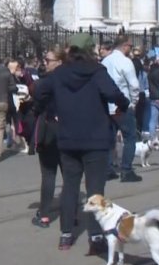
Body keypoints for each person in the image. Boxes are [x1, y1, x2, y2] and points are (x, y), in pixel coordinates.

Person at [33, 33, 128, 252]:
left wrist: (48, 109)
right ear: (88, 50)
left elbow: (39, 91)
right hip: (95, 138)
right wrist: (123, 104)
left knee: (70, 187)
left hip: (68, 138)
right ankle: (96, 237)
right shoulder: (97, 71)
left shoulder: (59, 74)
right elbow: (113, 93)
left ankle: (66, 235)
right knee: (96, 188)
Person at [101, 35, 142, 183]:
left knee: (109, 138)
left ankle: (108, 168)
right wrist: (134, 102)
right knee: (129, 137)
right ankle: (126, 170)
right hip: (122, 105)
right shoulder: (125, 62)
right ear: (124, 46)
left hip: (107, 105)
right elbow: (134, 85)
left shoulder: (105, 61)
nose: (130, 50)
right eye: (130, 47)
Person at [31, 48, 64, 228]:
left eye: (48, 59)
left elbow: (37, 97)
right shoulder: (72, 79)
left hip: (50, 130)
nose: (45, 62)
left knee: (49, 173)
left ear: (59, 61)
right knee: (69, 174)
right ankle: (70, 213)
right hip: (69, 130)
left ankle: (44, 215)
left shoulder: (49, 80)